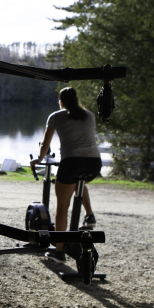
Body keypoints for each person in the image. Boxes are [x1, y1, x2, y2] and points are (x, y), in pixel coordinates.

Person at [30, 87, 102, 263]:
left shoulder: (55, 116)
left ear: (61, 102)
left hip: (71, 163)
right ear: (76, 100)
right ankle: (89, 215)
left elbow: (45, 144)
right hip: (94, 163)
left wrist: (38, 159)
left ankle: (59, 251)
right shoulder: (90, 115)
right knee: (79, 182)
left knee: (62, 208)